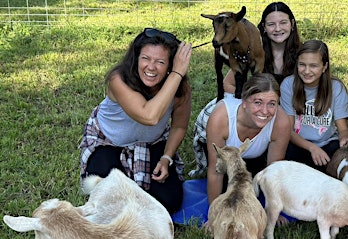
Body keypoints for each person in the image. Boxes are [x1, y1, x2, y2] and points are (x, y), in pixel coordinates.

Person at [79, 28, 193, 214]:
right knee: (111, 200)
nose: (151, 67)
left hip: (152, 142)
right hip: (109, 143)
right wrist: (177, 73)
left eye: (161, 62)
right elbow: (149, 116)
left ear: (170, 66)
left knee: (169, 203)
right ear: (136, 58)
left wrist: (166, 157)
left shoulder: (180, 88)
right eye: (145, 58)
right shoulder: (118, 79)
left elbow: (179, 126)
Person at [190, 1, 301, 177]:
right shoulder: (251, 46)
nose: (277, 29)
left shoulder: (300, 56)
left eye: (283, 23)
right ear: (263, 27)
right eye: (271, 24)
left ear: (292, 24)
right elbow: (230, 84)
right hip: (250, 110)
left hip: (279, 115)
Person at [205, 73, 290, 204]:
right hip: (222, 154)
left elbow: (274, 171)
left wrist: (273, 209)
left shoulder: (281, 121)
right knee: (226, 193)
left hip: (253, 158)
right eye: (258, 102)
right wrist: (213, 213)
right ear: (244, 102)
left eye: (272, 104)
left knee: (251, 189)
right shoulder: (221, 118)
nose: (265, 111)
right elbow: (216, 172)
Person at [280, 40, 348, 173]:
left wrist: (345, 139)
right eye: (302, 65)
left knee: (343, 165)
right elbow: (288, 131)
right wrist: (312, 148)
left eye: (313, 66)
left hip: (327, 143)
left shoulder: (336, 88)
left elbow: (343, 129)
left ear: (325, 66)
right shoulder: (288, 85)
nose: (307, 71)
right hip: (297, 143)